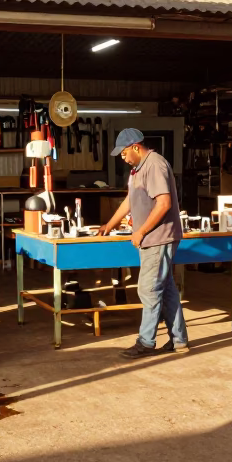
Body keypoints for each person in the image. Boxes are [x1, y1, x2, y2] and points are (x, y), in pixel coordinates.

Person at [100, 128, 189, 358]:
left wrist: (140, 231)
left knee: (148, 290)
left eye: (124, 153)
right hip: (152, 238)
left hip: (158, 238)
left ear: (136, 147)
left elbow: (164, 203)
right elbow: (130, 200)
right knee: (166, 289)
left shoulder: (155, 165)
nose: (122, 157)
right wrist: (109, 224)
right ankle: (179, 341)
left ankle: (146, 343)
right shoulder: (137, 170)